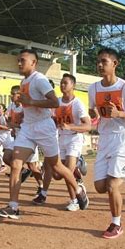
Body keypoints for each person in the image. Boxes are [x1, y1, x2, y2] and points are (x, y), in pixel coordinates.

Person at [0, 49, 88, 220]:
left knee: (57, 167)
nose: (19, 63)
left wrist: (31, 102)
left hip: (44, 127)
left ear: (33, 62)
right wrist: (24, 111)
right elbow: (30, 105)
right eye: (18, 60)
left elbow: (53, 101)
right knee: (15, 163)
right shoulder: (24, 82)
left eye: (23, 60)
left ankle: (79, 190)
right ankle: (13, 207)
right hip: (28, 128)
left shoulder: (39, 79)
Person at [88, 48, 125, 239]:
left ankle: (116, 224)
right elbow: (93, 111)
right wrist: (94, 115)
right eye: (98, 61)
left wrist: (120, 113)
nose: (99, 65)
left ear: (115, 64)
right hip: (105, 140)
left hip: (123, 138)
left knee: (113, 185)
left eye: (104, 61)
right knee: (100, 186)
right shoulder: (93, 88)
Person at [38, 73, 92, 209]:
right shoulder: (57, 102)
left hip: (74, 138)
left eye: (65, 83)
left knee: (67, 170)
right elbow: (54, 120)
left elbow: (87, 125)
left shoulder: (77, 103)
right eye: (61, 83)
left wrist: (70, 126)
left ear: (73, 85)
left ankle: (74, 200)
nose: (62, 85)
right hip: (61, 138)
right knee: (57, 174)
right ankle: (79, 165)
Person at [2, 85, 44, 193]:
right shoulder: (11, 105)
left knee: (33, 166)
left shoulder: (25, 107)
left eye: (13, 93)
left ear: (18, 95)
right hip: (18, 138)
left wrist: (14, 125)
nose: (11, 96)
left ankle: (42, 186)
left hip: (28, 137)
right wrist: (10, 124)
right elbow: (9, 119)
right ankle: (23, 170)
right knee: (6, 157)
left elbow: (25, 125)